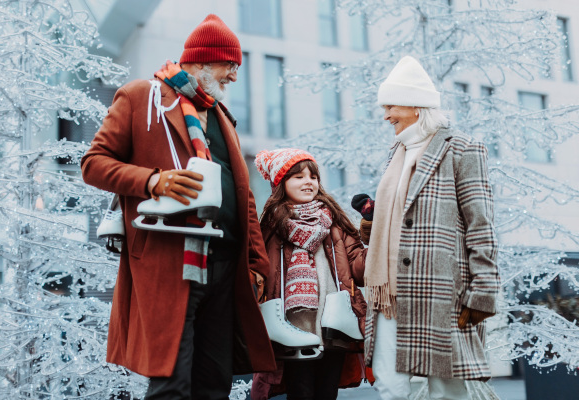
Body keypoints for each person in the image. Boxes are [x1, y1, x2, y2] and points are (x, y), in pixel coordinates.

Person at [81, 14, 275, 399]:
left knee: (215, 385)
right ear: (201, 62)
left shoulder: (223, 119)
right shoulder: (140, 97)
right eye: (230, 66)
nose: (235, 77)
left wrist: (256, 263)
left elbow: (244, 198)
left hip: (225, 269)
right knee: (171, 384)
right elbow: (94, 163)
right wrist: (154, 180)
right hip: (168, 262)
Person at [359, 56, 500, 400]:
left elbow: (480, 225)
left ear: (415, 104)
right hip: (389, 293)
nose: (386, 114)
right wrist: (372, 223)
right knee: (390, 386)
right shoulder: (396, 152)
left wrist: (483, 291)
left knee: (446, 389)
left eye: (391, 105)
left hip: (441, 291)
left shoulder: (462, 149)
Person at [250, 148, 370, 400]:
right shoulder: (270, 227)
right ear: (281, 184)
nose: (308, 182)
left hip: (334, 326)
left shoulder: (335, 223)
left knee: (327, 393)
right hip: (291, 330)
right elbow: (256, 272)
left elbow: (361, 269)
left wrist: (373, 229)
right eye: (298, 177)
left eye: (313, 177)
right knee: (300, 393)